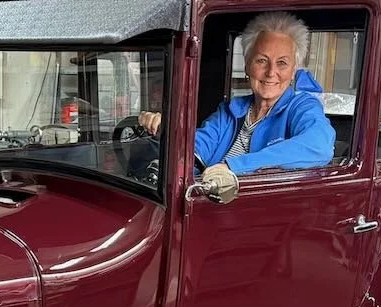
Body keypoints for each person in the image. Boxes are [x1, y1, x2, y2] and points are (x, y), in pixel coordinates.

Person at [139, 11, 336, 180]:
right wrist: (169, 129)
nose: (270, 72)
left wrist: (234, 167)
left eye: (282, 63)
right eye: (261, 60)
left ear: (294, 71)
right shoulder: (231, 110)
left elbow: (319, 146)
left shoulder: (302, 106)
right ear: (248, 65)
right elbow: (198, 145)